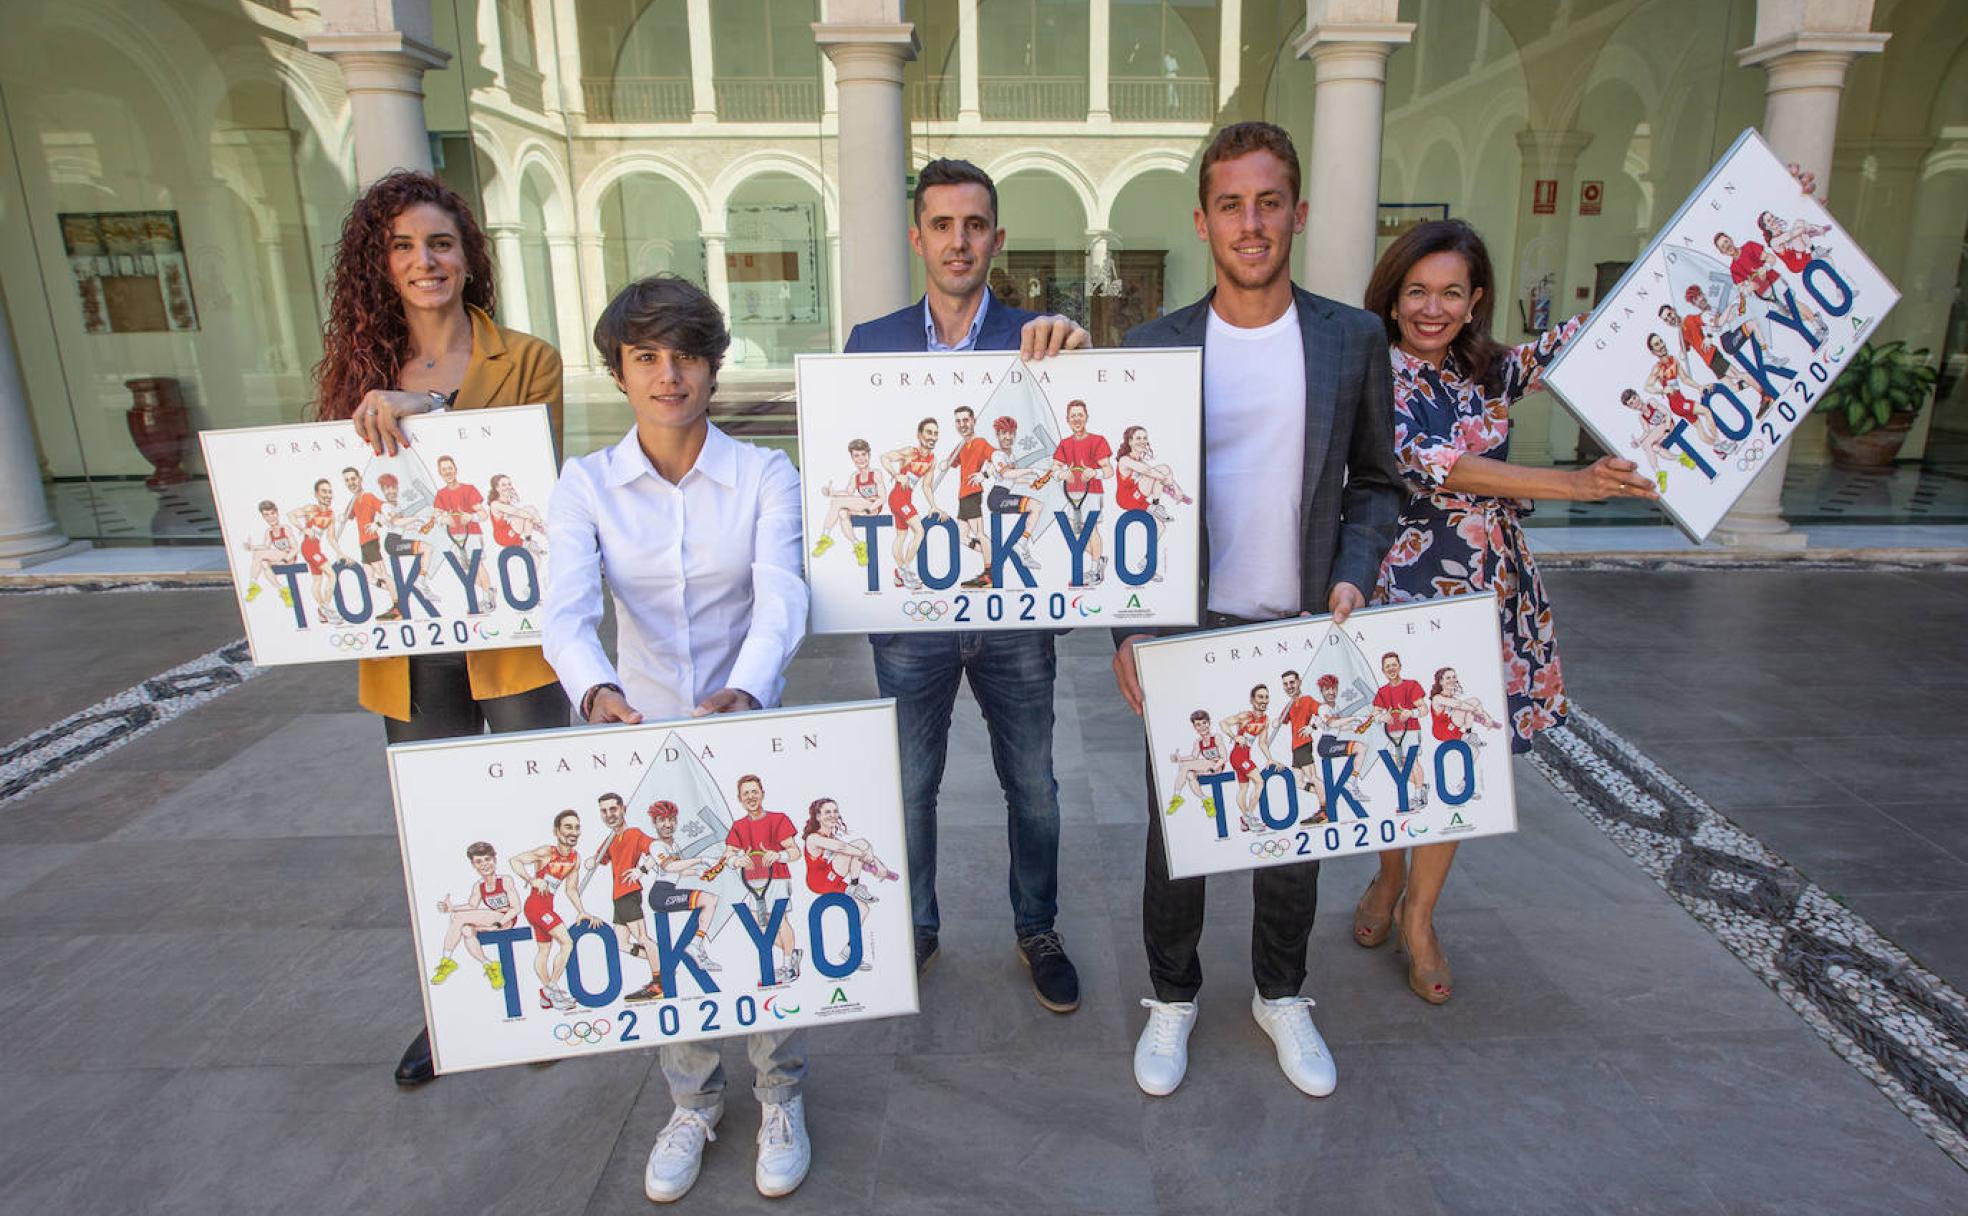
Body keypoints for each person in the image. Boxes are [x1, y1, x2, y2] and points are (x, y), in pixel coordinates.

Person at [1109, 122, 1404, 1099]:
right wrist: (1131, 627)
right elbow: (1123, 504)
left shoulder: (1352, 338)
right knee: (1180, 836)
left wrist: (1356, 571)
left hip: (1300, 626)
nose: (1251, 222)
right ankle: (1173, 999)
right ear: (1203, 221)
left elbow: (1377, 481)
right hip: (1192, 631)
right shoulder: (1153, 347)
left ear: (1299, 212)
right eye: (1231, 204)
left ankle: (1282, 993)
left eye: (1268, 201)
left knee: (1292, 831)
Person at [542, 273, 811, 1202]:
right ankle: (692, 1103)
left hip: (746, 727)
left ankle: (781, 1094)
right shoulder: (585, 485)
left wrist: (750, 684)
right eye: (646, 357)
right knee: (665, 926)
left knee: (766, 912)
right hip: (640, 731)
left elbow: (782, 591)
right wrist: (598, 691)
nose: (668, 376)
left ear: (712, 366)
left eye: (686, 356)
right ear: (619, 370)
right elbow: (566, 614)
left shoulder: (766, 473)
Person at [1352, 217, 1656, 1006]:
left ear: (1476, 298)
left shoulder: (1486, 368)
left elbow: (1592, 333)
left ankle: (1420, 915)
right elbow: (1443, 465)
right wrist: (1575, 484)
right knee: (1398, 757)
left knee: (1459, 760)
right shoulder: (1375, 372)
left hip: (1494, 591)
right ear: (1392, 298)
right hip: (1405, 592)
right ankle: (1389, 876)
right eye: (1416, 291)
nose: (1432, 307)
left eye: (1452, 291)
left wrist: (1742, 222)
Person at [315, 169, 566, 1087]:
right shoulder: (355, 375)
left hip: (510, 630)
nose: (425, 262)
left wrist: (430, 411)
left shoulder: (527, 358)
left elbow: (523, 467)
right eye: (403, 247)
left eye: (441, 243)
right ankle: (457, 1013)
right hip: (408, 640)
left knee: (533, 814)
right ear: (378, 266)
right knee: (440, 826)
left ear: (469, 257)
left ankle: (542, 999)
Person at [841, 157, 1089, 1012]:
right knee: (909, 787)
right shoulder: (869, 345)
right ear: (918, 238)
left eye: (974, 226)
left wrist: (1083, 360)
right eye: (942, 226)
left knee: (1037, 789)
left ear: (997, 238)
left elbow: (1069, 451)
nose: (959, 241)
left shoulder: (1041, 339)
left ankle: (1038, 927)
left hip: (1014, 606)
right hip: (911, 617)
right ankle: (916, 926)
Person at [510, 808, 600, 1013]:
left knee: (544, 950)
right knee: (567, 942)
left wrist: (582, 911)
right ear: (557, 831)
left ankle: (546, 993)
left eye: (577, 828)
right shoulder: (547, 852)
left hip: (546, 907)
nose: (573, 832)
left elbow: (570, 889)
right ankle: (553, 990)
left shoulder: (575, 858)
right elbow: (515, 861)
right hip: (536, 906)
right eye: (568, 827)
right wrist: (532, 880)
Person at [428, 840, 518, 990]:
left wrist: (499, 923)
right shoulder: (479, 886)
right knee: (466, 930)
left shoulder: (505, 880)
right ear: (474, 865)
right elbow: (471, 906)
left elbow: (515, 908)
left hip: (505, 919)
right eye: (479, 861)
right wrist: (451, 908)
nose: (484, 864)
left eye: (487, 859)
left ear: (494, 860)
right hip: (489, 921)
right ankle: (490, 966)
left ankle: (446, 960)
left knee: (458, 918)